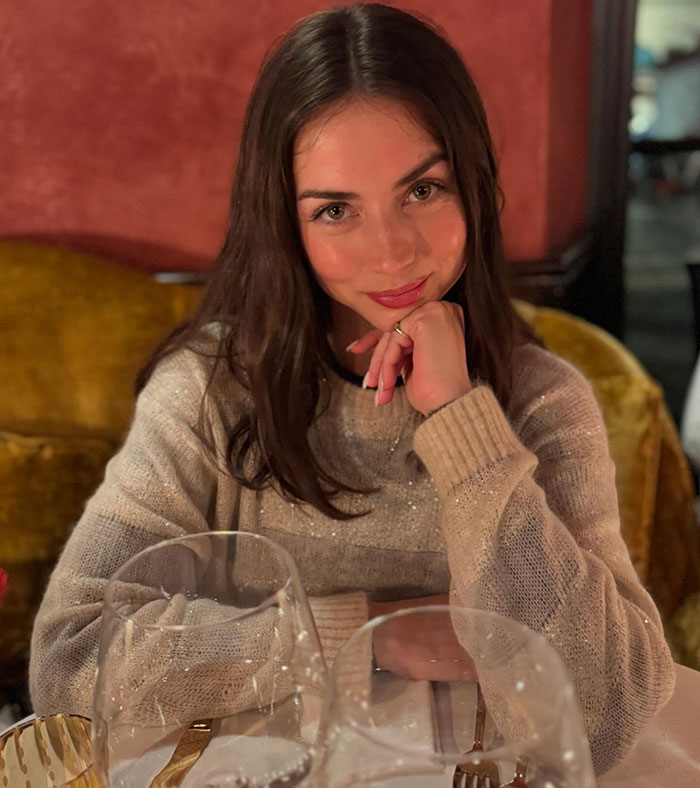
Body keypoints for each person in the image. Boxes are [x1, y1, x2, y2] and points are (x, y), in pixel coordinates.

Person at [30, 3, 674, 773]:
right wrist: (368, 632)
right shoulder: (209, 392)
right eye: (336, 210)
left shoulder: (543, 401)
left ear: (473, 184)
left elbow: (603, 709)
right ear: (286, 226)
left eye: (423, 191)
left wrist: (461, 418)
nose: (393, 251)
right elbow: (70, 661)